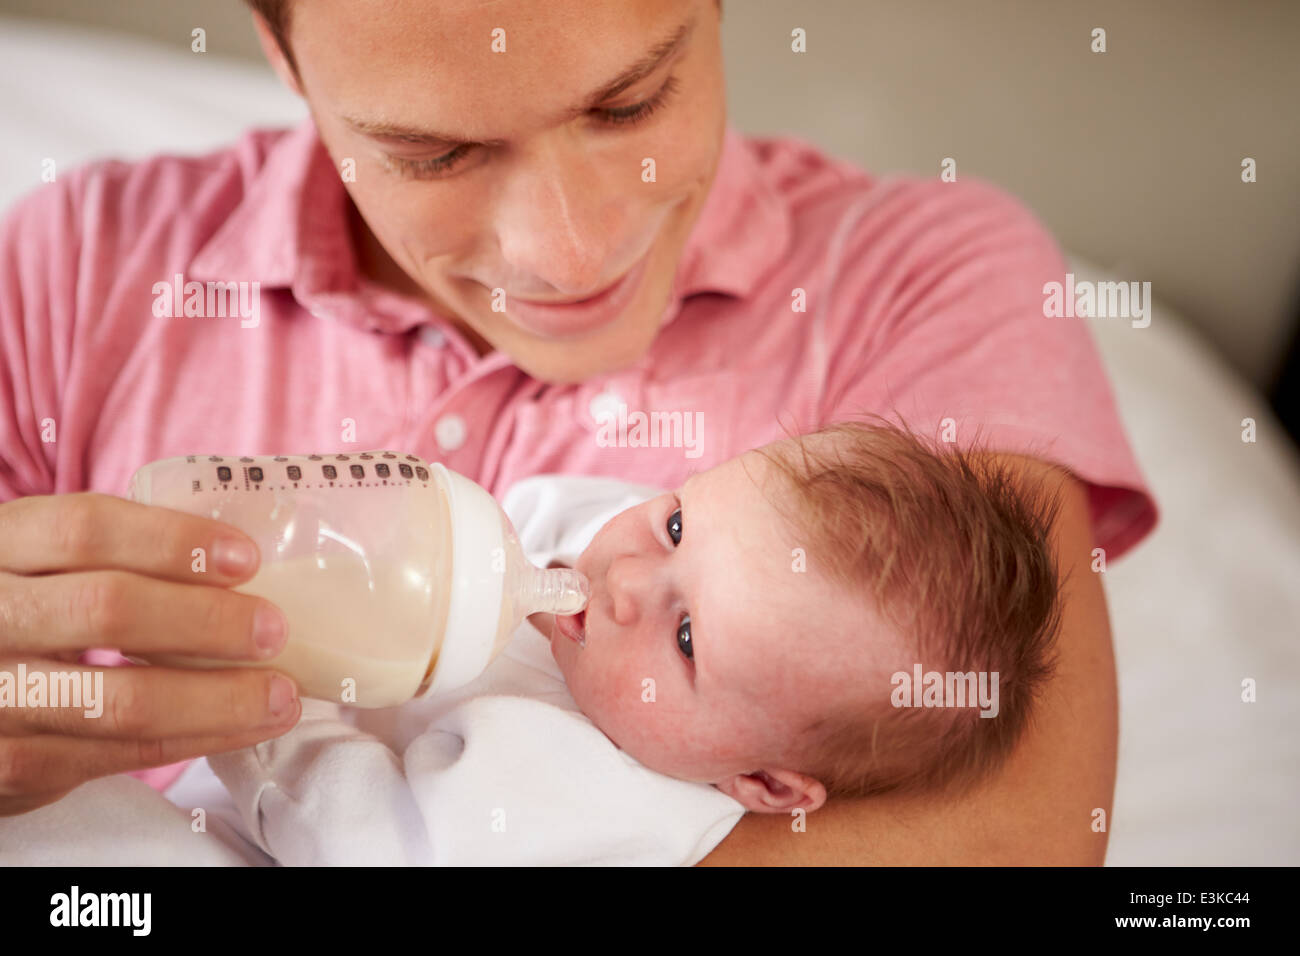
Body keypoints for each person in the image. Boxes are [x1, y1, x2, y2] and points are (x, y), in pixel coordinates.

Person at [0, 0, 1155, 864]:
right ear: (278, 45)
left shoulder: (923, 278)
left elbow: (1019, 846)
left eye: (630, 102)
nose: (566, 253)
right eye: (434, 153)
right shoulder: (74, 268)